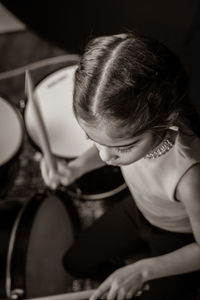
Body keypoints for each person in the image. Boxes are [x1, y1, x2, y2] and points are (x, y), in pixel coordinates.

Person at [40, 32, 200, 299]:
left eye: (123, 147)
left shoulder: (190, 176)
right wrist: (76, 168)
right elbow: (106, 145)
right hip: (138, 209)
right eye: (92, 139)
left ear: (165, 122)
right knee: (74, 263)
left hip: (178, 238)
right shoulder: (120, 134)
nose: (104, 157)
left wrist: (146, 270)